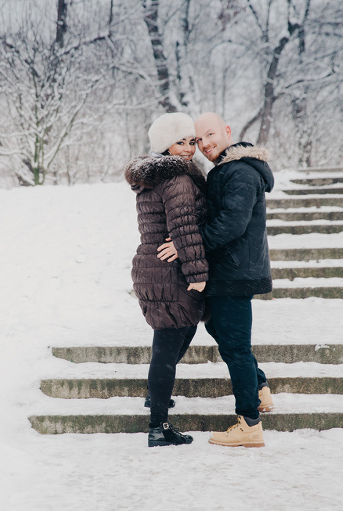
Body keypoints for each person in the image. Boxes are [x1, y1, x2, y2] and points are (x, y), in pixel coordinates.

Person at [157, 112, 274, 448]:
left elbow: (232, 224)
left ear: (227, 131)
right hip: (228, 271)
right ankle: (259, 389)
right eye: (198, 139)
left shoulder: (240, 171)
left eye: (210, 135)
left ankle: (249, 423)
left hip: (235, 272)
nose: (204, 144)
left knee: (235, 348)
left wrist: (185, 245)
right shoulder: (226, 169)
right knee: (222, 333)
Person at [124, 112, 209, 447]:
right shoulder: (177, 178)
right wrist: (198, 274)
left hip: (153, 267)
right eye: (180, 142)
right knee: (167, 345)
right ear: (164, 145)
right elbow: (183, 228)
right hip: (170, 271)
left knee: (180, 334)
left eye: (191, 141)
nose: (188, 149)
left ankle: (155, 398)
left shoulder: (152, 177)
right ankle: (158, 427)